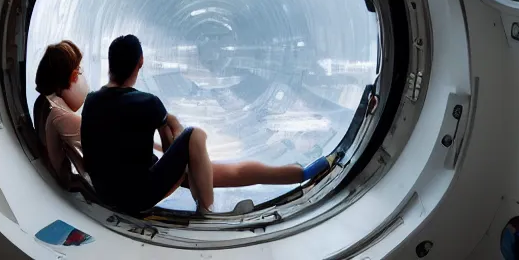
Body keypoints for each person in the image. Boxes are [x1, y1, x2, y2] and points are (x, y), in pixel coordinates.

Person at [81, 34, 333, 214]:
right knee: (196, 135)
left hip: (107, 194)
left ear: (111, 63)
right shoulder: (147, 102)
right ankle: (207, 209)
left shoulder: (91, 102)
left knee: (217, 173)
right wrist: (176, 127)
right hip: (139, 195)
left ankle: (304, 173)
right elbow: (173, 153)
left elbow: (106, 150)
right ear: (141, 63)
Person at [34, 40, 89, 179]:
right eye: (79, 71)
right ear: (73, 76)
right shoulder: (61, 114)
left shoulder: (42, 102)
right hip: (70, 185)